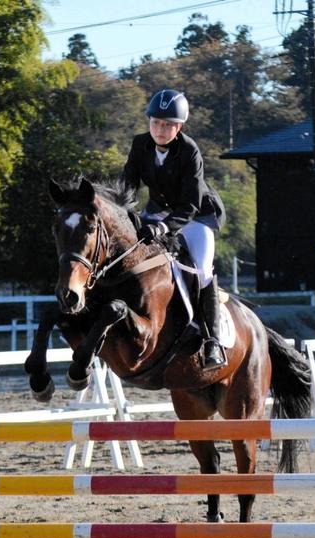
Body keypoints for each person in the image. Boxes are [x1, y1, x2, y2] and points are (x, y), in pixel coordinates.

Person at [122, 88, 227, 370]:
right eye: (156, 122)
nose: (160, 129)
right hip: (157, 211)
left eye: (168, 125)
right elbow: (128, 187)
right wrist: (125, 216)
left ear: (178, 127)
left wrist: (163, 228)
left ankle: (212, 341)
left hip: (195, 216)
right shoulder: (139, 144)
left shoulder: (190, 151)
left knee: (202, 270)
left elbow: (190, 204)